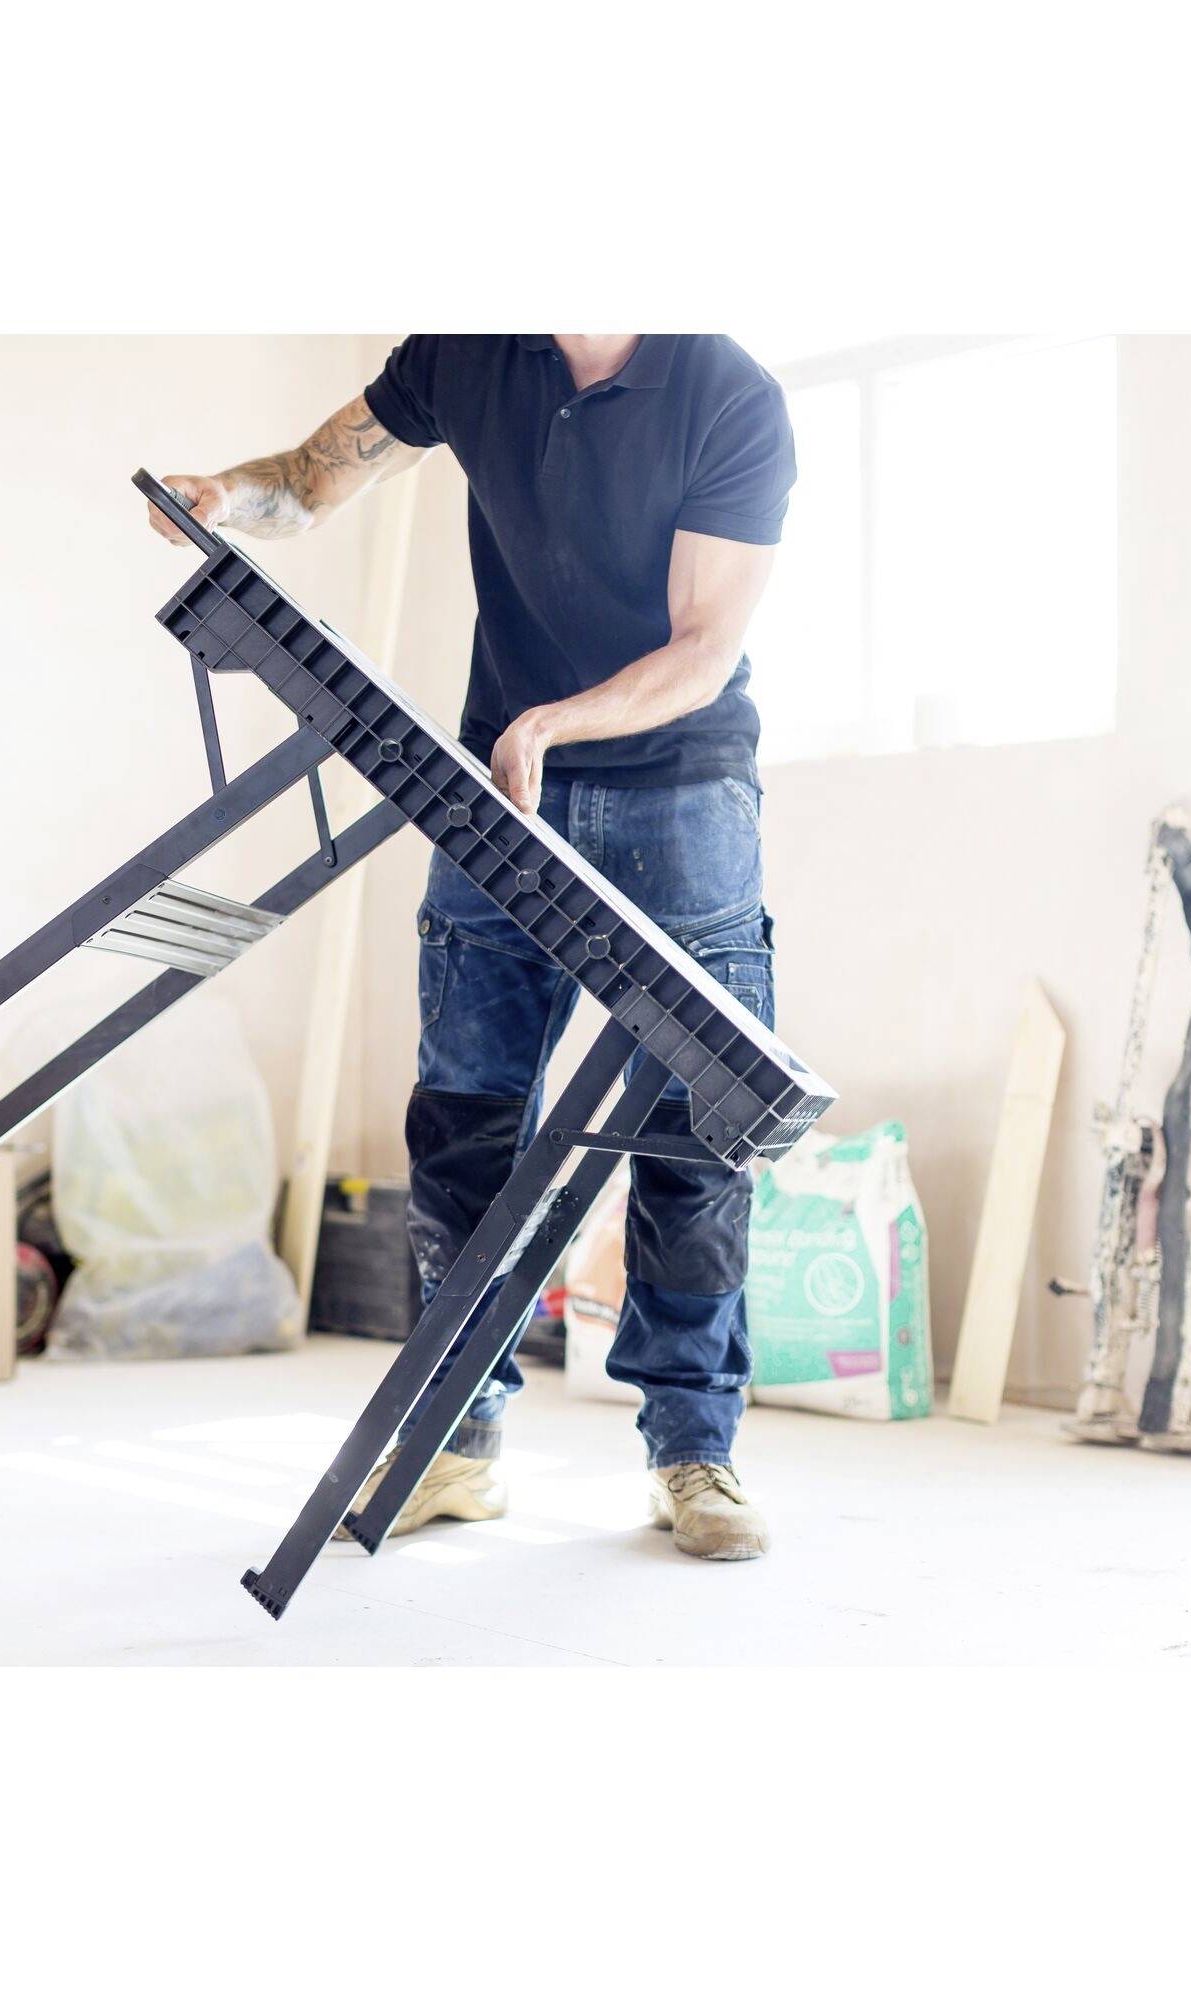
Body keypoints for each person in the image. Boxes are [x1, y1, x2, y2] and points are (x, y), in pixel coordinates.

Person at [148, 335, 794, 1559]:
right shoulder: (469, 350)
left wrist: (559, 719)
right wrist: (226, 497)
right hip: (497, 787)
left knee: (693, 1126)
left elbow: (704, 648)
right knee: (465, 1118)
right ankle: (455, 1440)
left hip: (676, 786)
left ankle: (692, 1450)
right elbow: (312, 471)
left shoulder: (728, 395)